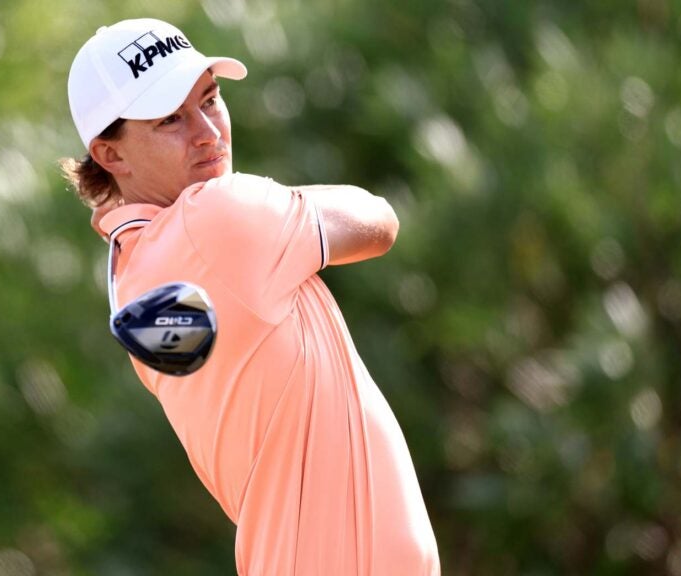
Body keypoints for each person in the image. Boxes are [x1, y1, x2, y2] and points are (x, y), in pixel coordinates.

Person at [61, 18, 440, 575]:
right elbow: (377, 219)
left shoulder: (131, 272)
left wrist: (274, 208)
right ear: (111, 156)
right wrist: (272, 202)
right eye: (170, 119)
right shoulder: (216, 215)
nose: (208, 134)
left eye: (210, 101)